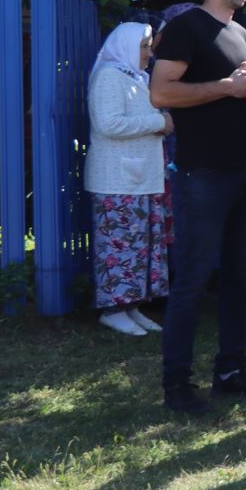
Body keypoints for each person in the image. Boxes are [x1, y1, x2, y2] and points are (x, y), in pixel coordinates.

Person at [150, 0, 246, 414]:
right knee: (195, 276)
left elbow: (239, 101)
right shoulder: (186, 28)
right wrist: (227, 87)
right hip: (204, 171)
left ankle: (230, 372)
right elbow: (160, 92)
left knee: (240, 276)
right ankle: (177, 384)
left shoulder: (241, 32)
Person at [87, 22, 174, 338]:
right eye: (144, 46)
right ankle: (113, 309)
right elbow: (108, 124)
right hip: (117, 181)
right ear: (125, 46)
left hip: (138, 178)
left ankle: (132, 304)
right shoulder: (110, 76)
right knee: (120, 244)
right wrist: (158, 122)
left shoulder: (133, 77)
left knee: (141, 245)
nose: (149, 54)